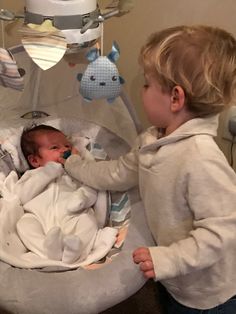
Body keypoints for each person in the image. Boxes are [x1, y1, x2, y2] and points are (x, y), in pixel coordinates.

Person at [62, 25, 236, 312]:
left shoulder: (201, 159)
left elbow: (222, 232)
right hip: (173, 275)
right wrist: (73, 164)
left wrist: (169, 259)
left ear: (175, 98)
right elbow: (117, 173)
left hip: (208, 292)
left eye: (146, 84)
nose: (141, 90)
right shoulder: (152, 140)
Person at [15, 125, 117, 264]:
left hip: (73, 214)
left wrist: (83, 197)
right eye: (54, 148)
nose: (64, 150)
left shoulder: (76, 171)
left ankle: (75, 251)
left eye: (67, 146)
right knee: (24, 224)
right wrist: (49, 171)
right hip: (40, 218)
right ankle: (48, 250)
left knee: (88, 222)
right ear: (34, 161)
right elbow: (22, 196)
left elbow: (91, 186)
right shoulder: (32, 175)